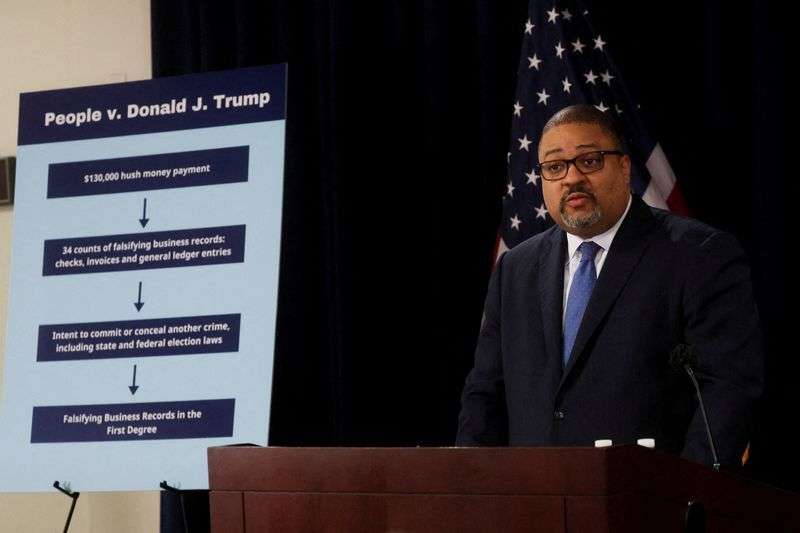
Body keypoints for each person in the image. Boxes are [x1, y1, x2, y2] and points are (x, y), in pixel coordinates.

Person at [456, 105, 763, 467]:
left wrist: (684, 498)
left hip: (649, 504)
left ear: (624, 166)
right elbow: (484, 396)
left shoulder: (697, 255)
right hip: (537, 506)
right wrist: (469, 488)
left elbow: (726, 390)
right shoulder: (515, 269)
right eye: (555, 167)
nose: (571, 178)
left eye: (589, 161)